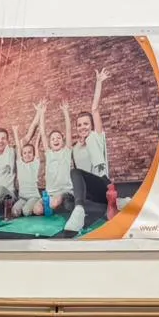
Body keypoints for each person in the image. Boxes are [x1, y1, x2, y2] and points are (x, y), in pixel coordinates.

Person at [61, 70, 112, 237]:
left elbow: (95, 109)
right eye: (79, 125)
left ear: (91, 125)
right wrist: (66, 113)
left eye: (86, 124)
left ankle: (81, 210)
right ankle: (107, 205)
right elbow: (68, 133)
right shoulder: (75, 148)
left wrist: (99, 82)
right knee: (68, 202)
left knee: (75, 172)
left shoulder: (96, 137)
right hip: (90, 192)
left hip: (103, 185)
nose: (82, 127)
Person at [35, 101, 75, 219]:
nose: (56, 140)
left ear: (63, 141)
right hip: (50, 193)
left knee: (54, 203)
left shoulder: (66, 151)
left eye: (58, 138)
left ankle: (62, 205)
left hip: (65, 191)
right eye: (53, 139)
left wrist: (65, 112)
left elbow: (68, 130)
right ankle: (57, 207)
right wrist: (42, 113)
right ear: (50, 142)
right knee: (37, 210)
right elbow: (43, 133)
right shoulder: (49, 153)